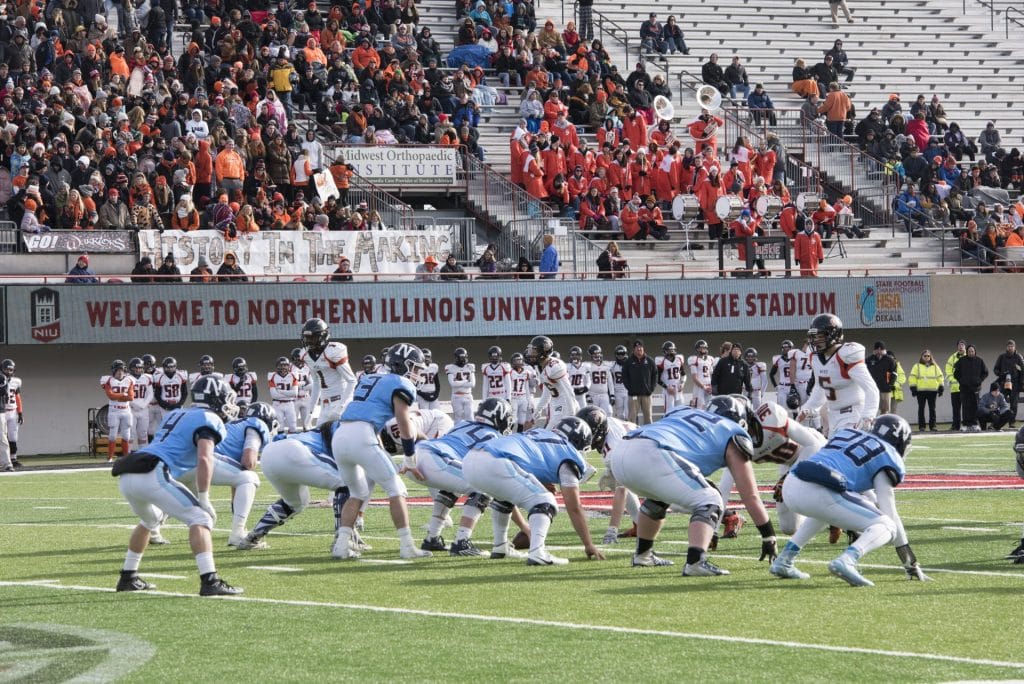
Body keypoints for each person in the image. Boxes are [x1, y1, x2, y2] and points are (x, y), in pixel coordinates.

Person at [608, 396, 778, 574]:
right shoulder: (732, 431)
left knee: (659, 497)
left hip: (622, 450)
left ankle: (643, 555)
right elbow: (750, 495)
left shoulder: (683, 411)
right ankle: (695, 561)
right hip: (652, 453)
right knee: (711, 497)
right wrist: (768, 536)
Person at [110, 376, 243, 596]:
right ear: (217, 398)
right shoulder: (209, 418)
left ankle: (127, 577)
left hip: (129, 472)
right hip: (153, 471)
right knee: (201, 518)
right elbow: (204, 458)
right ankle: (210, 581)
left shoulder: (176, 413)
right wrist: (203, 497)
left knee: (150, 520)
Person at [770, 415, 927, 586]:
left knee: (827, 512)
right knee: (887, 525)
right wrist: (909, 561)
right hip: (818, 489)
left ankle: (784, 560)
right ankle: (847, 560)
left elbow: (859, 489)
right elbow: (889, 511)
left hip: (791, 484)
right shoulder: (886, 455)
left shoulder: (848, 434)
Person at [330, 343, 433, 561]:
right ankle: (407, 546)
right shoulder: (400, 383)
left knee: (357, 492)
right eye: (414, 367)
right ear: (401, 364)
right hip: (361, 434)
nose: (416, 373)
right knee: (397, 489)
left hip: (340, 435)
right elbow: (404, 423)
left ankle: (341, 545)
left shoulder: (368, 378)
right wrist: (410, 457)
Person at [462, 416, 605, 565]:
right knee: (545, 502)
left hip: (471, 459)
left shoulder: (539, 433)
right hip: (495, 462)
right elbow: (574, 507)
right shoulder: (568, 453)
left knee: (505, 497)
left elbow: (529, 458)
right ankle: (538, 552)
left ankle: (500, 546)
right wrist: (589, 544)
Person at [414, 398, 515, 556]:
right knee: (483, 486)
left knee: (453, 487)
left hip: (419, 452)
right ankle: (462, 542)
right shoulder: (493, 437)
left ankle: (432, 538)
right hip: (435, 458)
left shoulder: (463, 424)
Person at [236, 425, 349, 550]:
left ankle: (252, 537)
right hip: (293, 450)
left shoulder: (326, 429)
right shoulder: (344, 427)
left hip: (269, 455)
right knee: (347, 482)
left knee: (295, 503)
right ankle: (343, 540)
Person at [181, 402, 276, 547]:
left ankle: (153, 530)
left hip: (185, 463)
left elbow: (236, 476)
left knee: (178, 497)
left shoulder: (234, 425)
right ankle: (237, 535)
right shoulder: (257, 425)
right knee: (250, 477)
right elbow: (248, 462)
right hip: (205, 462)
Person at [797, 315, 879, 436]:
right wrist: (808, 407)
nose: (816, 341)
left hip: (852, 414)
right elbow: (821, 388)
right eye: (814, 337)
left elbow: (871, 388)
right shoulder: (815, 357)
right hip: (833, 416)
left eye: (820, 336)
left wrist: (868, 415)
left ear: (833, 335)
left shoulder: (846, 355)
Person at [299, 318, 357, 425]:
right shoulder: (306, 355)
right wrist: (311, 412)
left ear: (323, 336)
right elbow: (316, 383)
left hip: (340, 400)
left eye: (313, 337)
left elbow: (352, 381)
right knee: (320, 437)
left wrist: (341, 406)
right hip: (324, 405)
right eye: (307, 337)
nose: (309, 341)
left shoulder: (333, 351)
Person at [528, 336, 578, 428]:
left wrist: (571, 415)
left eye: (534, 351)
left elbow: (569, 392)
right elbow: (547, 394)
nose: (531, 354)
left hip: (566, 405)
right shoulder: (542, 367)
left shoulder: (555, 367)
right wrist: (536, 414)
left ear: (543, 353)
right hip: (556, 405)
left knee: (551, 434)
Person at [101, 360, 135, 463]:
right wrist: (123, 395)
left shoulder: (129, 380)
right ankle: (110, 457)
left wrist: (119, 396)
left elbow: (131, 397)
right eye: (118, 370)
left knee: (126, 436)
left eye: (122, 370)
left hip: (125, 411)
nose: (120, 373)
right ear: (113, 371)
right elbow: (111, 396)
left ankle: (126, 457)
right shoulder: (108, 380)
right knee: (112, 436)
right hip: (114, 411)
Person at [954, 344, 988, 432]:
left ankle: (974, 424)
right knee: (965, 406)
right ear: (967, 352)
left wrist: (979, 380)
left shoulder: (979, 361)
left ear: (975, 352)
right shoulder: (962, 360)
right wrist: (962, 381)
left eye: (972, 351)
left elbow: (985, 372)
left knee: (975, 406)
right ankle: (965, 424)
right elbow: (956, 373)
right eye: (969, 351)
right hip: (964, 388)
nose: (971, 353)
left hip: (976, 388)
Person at [623, 339, 658, 425]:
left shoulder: (650, 361)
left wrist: (651, 388)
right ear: (633, 349)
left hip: (646, 394)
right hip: (633, 395)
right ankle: (631, 436)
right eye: (637, 347)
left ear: (643, 348)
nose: (639, 349)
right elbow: (624, 377)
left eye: (640, 347)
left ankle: (648, 436)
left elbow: (655, 375)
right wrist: (630, 389)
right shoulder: (628, 362)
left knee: (648, 417)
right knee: (632, 417)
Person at [908, 349, 944, 432]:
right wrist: (913, 388)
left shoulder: (935, 367)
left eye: (928, 356)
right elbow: (912, 377)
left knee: (932, 409)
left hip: (932, 391)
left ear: (930, 357)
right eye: (925, 356)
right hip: (921, 391)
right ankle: (922, 427)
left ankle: (933, 426)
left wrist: (941, 387)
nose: (927, 357)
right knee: (921, 409)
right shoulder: (916, 366)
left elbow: (940, 377)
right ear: (922, 357)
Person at [993, 340, 1024, 428]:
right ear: (1006, 347)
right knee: (1000, 402)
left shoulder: (1019, 357)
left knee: (1014, 404)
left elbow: (1023, 372)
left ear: (1015, 347)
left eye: (1012, 346)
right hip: (1003, 383)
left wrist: (1021, 383)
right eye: (1009, 346)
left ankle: (1012, 422)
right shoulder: (1001, 357)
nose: (1010, 348)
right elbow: (995, 369)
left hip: (1015, 385)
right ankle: (998, 422)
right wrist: (1001, 374)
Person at [2, 360, 24, 468]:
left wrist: (20, 412)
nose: (8, 371)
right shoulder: (1, 380)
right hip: (2, 412)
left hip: (13, 411)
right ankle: (4, 459)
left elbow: (17, 397)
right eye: (6, 369)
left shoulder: (16, 381)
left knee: (13, 437)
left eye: (10, 369)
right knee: (2, 437)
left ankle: (13, 458)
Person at [446, 348, 477, 422]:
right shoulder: (450, 367)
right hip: (456, 396)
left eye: (464, 357)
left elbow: (472, 384)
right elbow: (453, 384)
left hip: (468, 395)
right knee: (458, 418)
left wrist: (459, 383)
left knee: (470, 418)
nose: (462, 359)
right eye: (461, 357)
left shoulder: (470, 367)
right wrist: (466, 381)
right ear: (456, 357)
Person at [153, 357, 189, 422]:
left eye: (172, 367)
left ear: (175, 367)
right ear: (163, 367)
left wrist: (180, 404)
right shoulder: (160, 377)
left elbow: (185, 392)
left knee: (178, 424)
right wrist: (165, 405)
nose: (170, 369)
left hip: (178, 404)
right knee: (165, 425)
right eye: (167, 367)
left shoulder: (180, 376)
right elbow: (157, 395)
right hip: (165, 406)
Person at [866, 341, 898, 415]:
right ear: (874, 350)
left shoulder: (890, 360)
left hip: (885, 389)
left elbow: (894, 373)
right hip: (872, 388)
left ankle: (882, 424)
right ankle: (870, 425)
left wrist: (890, 384)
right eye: (877, 349)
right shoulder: (869, 360)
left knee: (884, 410)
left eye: (881, 349)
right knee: (871, 409)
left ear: (884, 350)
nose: (879, 351)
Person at [943, 340, 968, 432]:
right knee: (956, 409)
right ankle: (956, 426)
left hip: (966, 388)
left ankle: (966, 425)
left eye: (962, 345)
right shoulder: (952, 358)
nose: (961, 347)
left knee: (966, 408)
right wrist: (952, 380)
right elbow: (948, 370)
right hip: (955, 389)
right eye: (959, 345)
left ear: (965, 347)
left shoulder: (968, 356)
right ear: (957, 347)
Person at [688, 340, 716, 410]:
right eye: (702, 348)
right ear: (697, 349)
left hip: (709, 386)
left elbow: (711, 375)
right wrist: (703, 387)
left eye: (705, 347)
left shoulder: (710, 359)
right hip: (699, 387)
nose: (704, 349)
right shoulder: (694, 359)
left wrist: (711, 386)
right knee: (698, 408)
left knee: (709, 408)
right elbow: (694, 378)